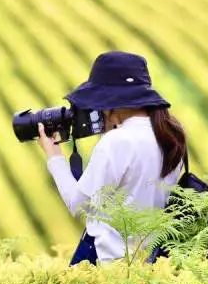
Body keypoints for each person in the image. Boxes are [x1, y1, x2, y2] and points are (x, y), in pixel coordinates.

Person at [36, 51, 187, 265]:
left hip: (108, 264)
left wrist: (54, 156)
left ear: (112, 101)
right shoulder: (170, 136)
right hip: (149, 262)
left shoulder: (117, 142)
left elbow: (78, 203)